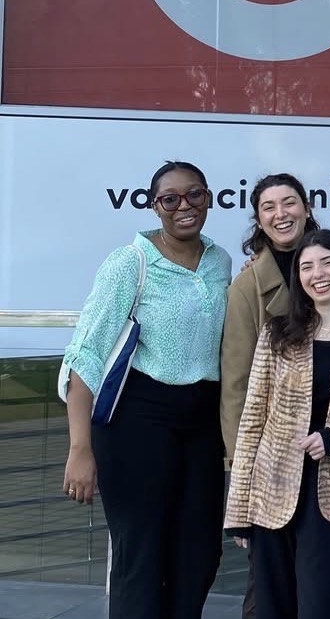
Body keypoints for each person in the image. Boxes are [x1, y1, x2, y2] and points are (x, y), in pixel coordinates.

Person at [61, 160, 232, 619]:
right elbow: (86, 355)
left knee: (198, 554)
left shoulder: (220, 261)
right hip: (138, 418)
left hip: (201, 422)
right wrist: (80, 448)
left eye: (194, 194)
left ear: (210, 197)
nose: (184, 206)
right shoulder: (129, 263)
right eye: (170, 198)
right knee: (142, 557)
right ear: (155, 207)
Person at [225, 229, 330, 619]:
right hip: (271, 490)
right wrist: (238, 510)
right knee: (271, 608)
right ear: (298, 279)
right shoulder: (277, 334)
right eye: (306, 266)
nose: (317, 273)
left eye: (327, 262)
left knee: (320, 606)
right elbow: (253, 419)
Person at [220, 172, 320, 617]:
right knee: (269, 583)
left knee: (321, 579)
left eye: (289, 203)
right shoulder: (246, 288)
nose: (281, 214)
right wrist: (240, 473)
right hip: (271, 458)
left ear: (307, 206)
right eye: (269, 207)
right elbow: (236, 387)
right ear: (258, 219)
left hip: (326, 447)